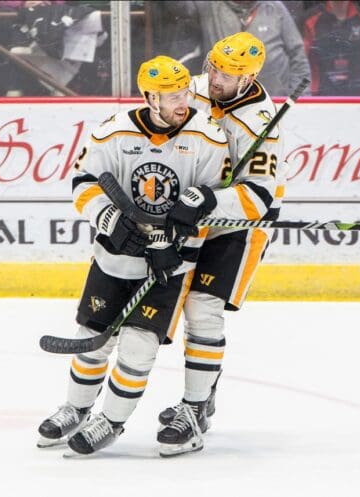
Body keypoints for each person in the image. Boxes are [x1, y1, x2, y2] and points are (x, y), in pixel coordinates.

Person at [36, 55, 231, 456]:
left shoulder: (208, 136)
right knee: (91, 339)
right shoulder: (114, 131)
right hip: (114, 257)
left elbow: (208, 202)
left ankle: (111, 421)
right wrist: (108, 218)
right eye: (171, 96)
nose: (182, 102)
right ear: (149, 98)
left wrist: (172, 245)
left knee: (139, 344)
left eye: (184, 93)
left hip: (169, 263)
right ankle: (76, 408)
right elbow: (84, 183)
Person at [157, 31, 286, 456]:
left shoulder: (260, 121)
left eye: (227, 76)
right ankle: (204, 391)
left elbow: (260, 196)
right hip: (190, 218)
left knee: (203, 309)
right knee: (171, 304)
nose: (214, 79)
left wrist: (209, 199)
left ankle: (194, 408)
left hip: (238, 224)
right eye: (213, 68)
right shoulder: (192, 89)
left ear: (248, 79)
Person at [161, 1, 310, 97]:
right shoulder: (209, 5)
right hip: (224, 105)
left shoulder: (274, 7)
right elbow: (178, 6)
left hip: (275, 104)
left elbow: (298, 56)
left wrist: (298, 99)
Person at [302, 0, 360, 96]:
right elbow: (301, 65)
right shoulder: (310, 20)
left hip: (357, 98)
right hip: (320, 98)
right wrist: (297, 99)